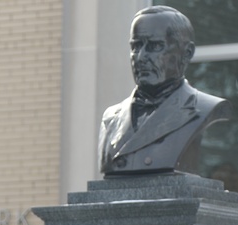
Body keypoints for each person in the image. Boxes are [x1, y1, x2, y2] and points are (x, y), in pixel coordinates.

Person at [98, 5, 230, 176]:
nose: (141, 57)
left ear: (186, 53)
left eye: (155, 46)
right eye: (136, 46)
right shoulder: (111, 119)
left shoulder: (206, 110)